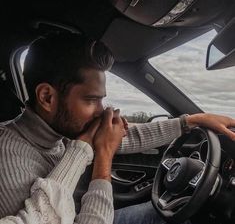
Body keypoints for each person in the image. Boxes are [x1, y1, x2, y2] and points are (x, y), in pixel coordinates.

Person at [0, 32, 234, 224]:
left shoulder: (59, 130)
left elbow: (124, 136)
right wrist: (102, 157)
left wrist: (191, 121)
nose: (102, 111)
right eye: (91, 100)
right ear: (47, 97)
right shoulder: (10, 163)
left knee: (176, 215)